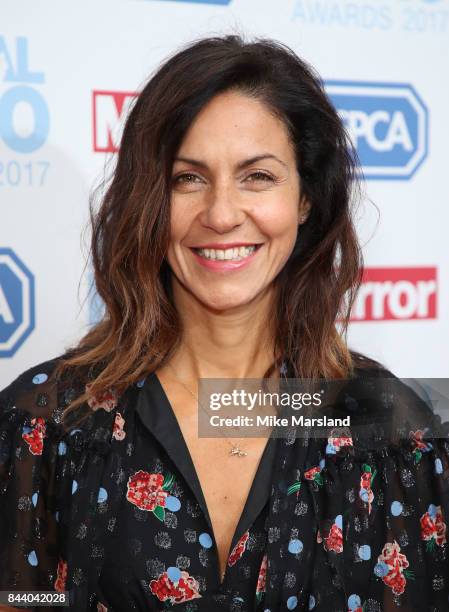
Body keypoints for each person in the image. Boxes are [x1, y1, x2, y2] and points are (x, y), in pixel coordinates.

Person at [1, 34, 448, 612]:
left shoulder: (392, 435)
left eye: (257, 176)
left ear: (305, 199)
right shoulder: (46, 425)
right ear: (148, 200)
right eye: (189, 178)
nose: (220, 214)